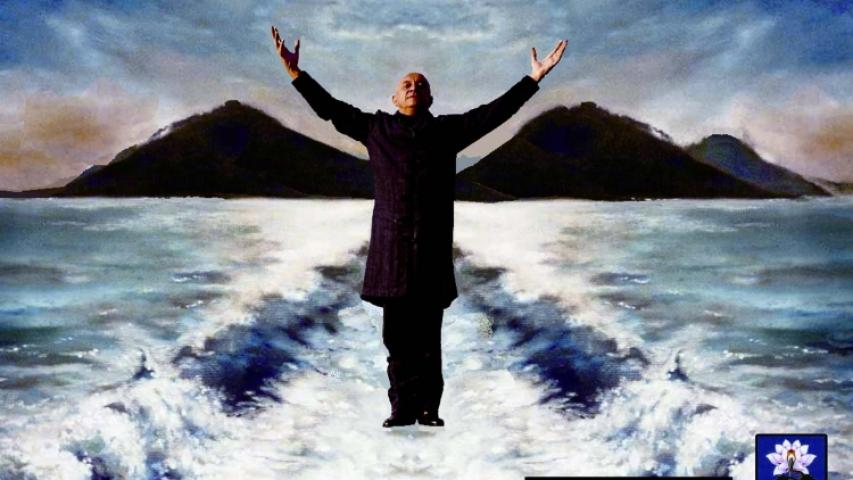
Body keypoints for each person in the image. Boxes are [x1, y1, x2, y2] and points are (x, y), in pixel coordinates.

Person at [270, 26, 567, 428]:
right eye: (406, 84)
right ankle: (400, 408)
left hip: (430, 250)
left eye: (421, 85)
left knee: (428, 338)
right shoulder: (375, 129)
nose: (413, 87)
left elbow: (495, 113)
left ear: (430, 99)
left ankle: (428, 409)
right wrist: (296, 75)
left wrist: (534, 78)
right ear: (394, 98)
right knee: (396, 339)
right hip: (391, 251)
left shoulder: (447, 132)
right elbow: (331, 109)